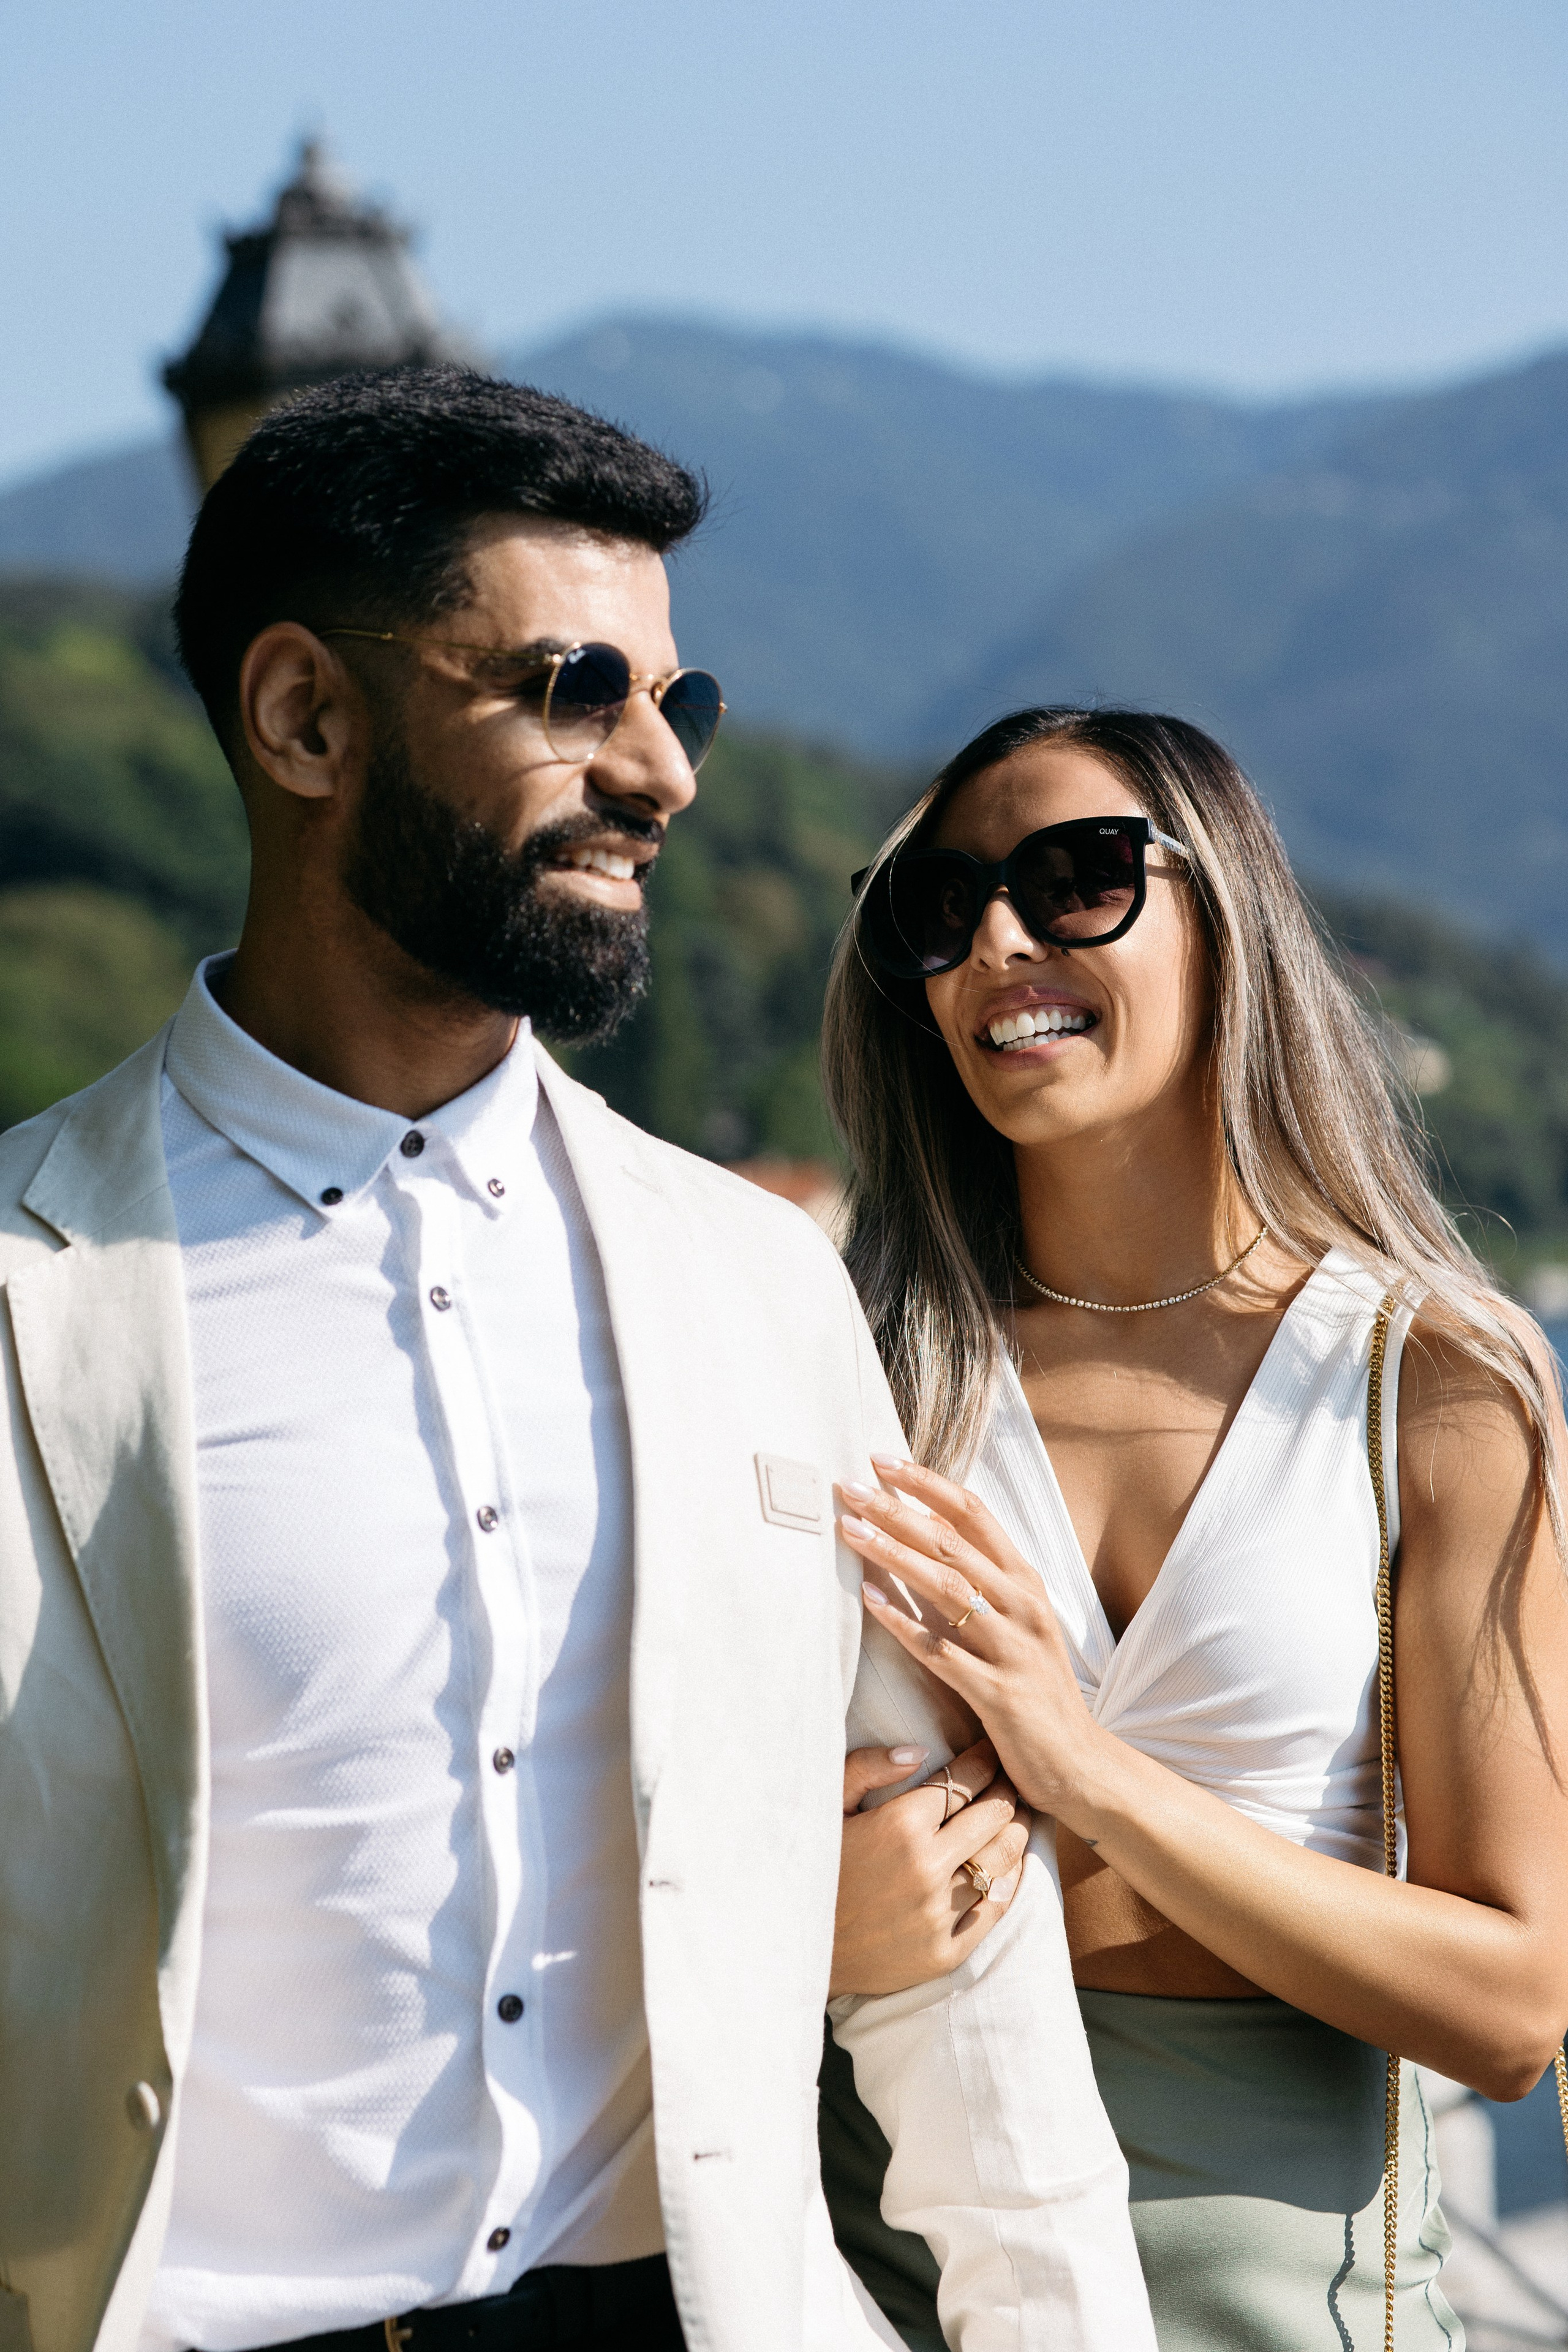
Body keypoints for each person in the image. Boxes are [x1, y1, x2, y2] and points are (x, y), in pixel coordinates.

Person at [0, 379, 1158, 2352]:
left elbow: (954, 1955)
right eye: (573, 689)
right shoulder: (34, 1288)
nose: (664, 773)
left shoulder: (757, 1283)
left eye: (675, 705)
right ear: (304, 719)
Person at [821, 706, 1568, 2351]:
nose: (998, 941)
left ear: (1225, 911)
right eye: (936, 913)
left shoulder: (1432, 1386)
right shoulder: (840, 1370)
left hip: (1293, 2310)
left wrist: (1082, 1769)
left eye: (1077, 877)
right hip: (886, 2282)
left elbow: (1515, 2010)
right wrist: (816, 1926)